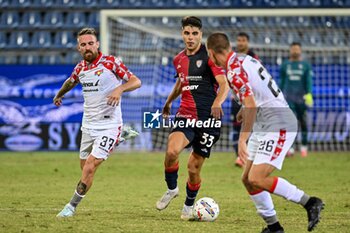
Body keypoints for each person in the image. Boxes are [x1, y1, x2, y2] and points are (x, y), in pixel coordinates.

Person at [206, 32, 324, 233]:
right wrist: (245, 108)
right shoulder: (244, 59)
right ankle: (274, 227)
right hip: (264, 123)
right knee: (247, 179)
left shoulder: (233, 71)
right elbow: (257, 92)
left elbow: (251, 103)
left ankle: (310, 202)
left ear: (211, 52)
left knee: (257, 178)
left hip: (279, 123)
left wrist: (242, 139)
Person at [54, 27, 141, 217]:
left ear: (97, 44)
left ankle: (71, 207)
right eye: (83, 45)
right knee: (84, 166)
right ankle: (118, 139)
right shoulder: (80, 68)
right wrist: (59, 94)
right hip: (88, 125)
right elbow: (70, 81)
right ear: (79, 48)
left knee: (90, 167)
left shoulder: (111, 63)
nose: (87, 47)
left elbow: (136, 81)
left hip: (109, 124)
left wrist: (119, 90)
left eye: (90, 43)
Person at [155, 16, 229, 220]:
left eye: (194, 33)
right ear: (182, 34)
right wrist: (169, 101)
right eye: (187, 33)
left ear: (200, 35)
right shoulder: (178, 59)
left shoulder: (210, 57)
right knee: (171, 152)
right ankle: (172, 189)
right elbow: (181, 83)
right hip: (186, 115)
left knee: (193, 168)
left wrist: (217, 103)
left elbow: (224, 84)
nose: (190, 37)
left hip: (208, 121)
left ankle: (189, 205)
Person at [232, 32, 261, 168]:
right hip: (236, 98)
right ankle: (240, 156)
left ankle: (246, 156)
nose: (240, 43)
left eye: (243, 40)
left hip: (250, 98)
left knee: (250, 126)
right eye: (239, 40)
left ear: (247, 42)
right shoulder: (232, 57)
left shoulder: (253, 57)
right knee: (236, 126)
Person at [280, 42, 313, 157]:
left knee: (303, 122)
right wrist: (279, 95)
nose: (295, 51)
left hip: (301, 98)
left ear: (300, 51)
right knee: (291, 123)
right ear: (290, 50)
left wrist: (309, 94)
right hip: (289, 98)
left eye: (297, 49)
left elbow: (308, 80)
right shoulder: (285, 65)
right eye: (293, 49)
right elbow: (282, 82)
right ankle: (291, 148)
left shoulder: (305, 65)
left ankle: (304, 147)